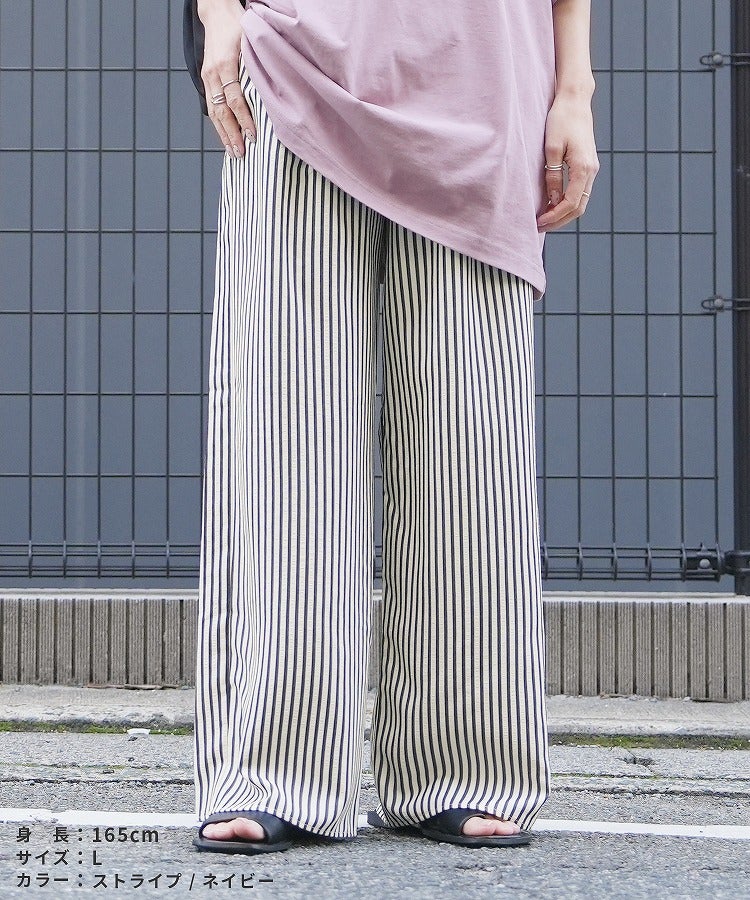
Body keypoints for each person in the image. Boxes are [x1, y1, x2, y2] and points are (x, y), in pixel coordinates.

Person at [191, 0, 598, 854]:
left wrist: (575, 89)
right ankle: (272, 769)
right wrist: (219, 15)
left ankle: (464, 765)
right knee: (288, 437)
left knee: (471, 453)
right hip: (296, 68)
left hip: (484, 88)